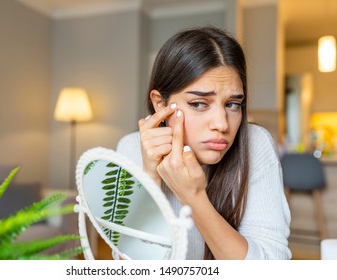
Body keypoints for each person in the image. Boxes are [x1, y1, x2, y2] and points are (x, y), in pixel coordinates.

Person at [116, 25, 291, 260]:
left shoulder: (255, 144)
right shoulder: (130, 149)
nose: (222, 124)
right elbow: (128, 266)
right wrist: (150, 181)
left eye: (232, 104)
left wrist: (194, 197)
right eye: (199, 103)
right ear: (160, 104)